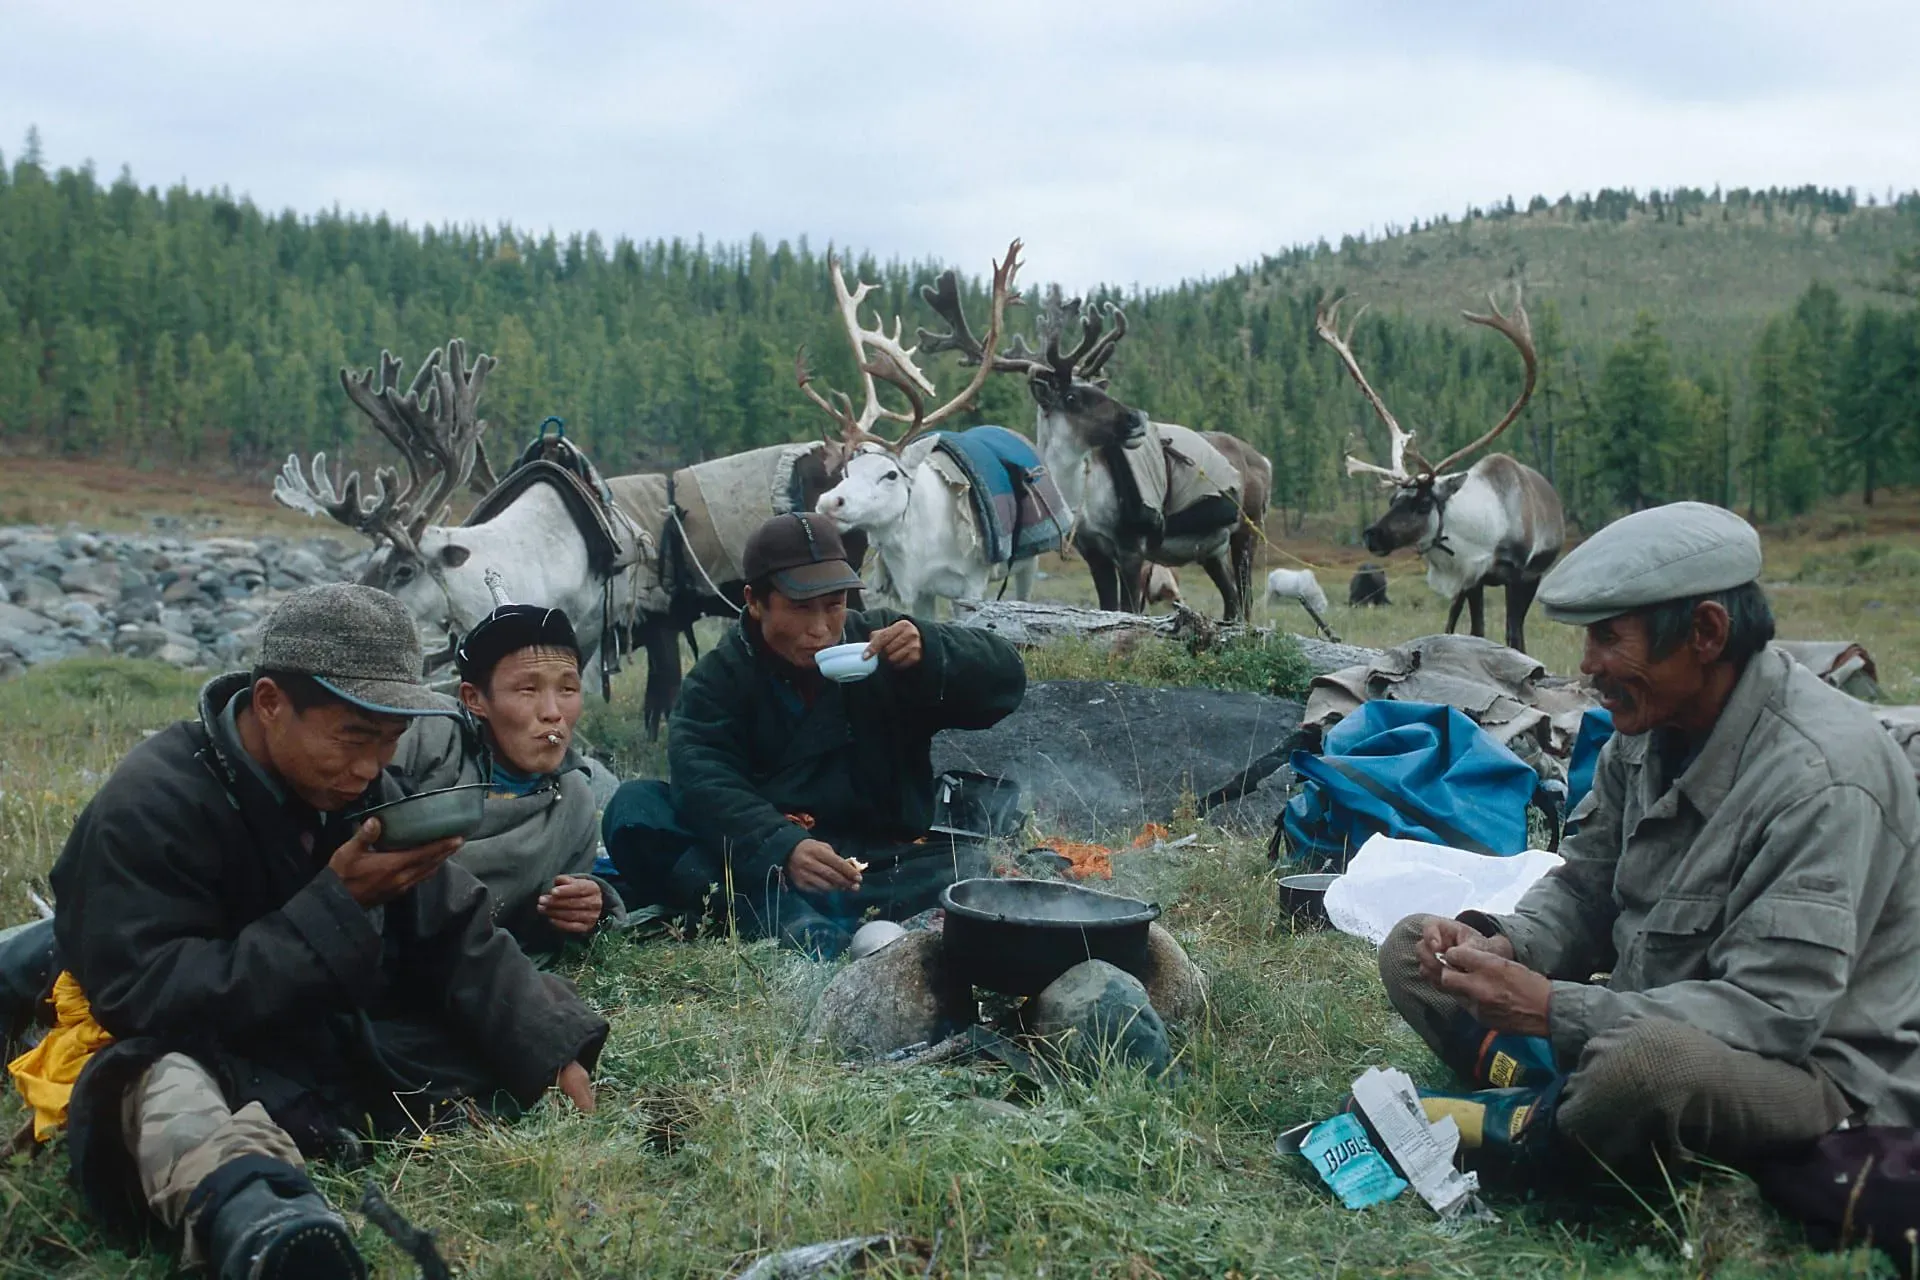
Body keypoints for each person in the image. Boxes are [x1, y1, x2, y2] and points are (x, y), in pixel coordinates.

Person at [27, 584, 607, 1280]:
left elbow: (454, 932)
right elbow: (146, 996)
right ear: (271, 702)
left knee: (465, 1027)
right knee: (159, 1091)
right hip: (183, 1037)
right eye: (353, 738)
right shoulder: (150, 803)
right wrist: (337, 903)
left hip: (302, 1031)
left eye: (389, 742)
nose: (370, 768)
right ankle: (267, 1225)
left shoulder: (362, 791)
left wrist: (548, 1051)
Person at [1375, 502, 1920, 1176]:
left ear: (1706, 632)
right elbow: (1588, 886)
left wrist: (1551, 1009)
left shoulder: (1825, 780)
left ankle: (1531, 1126)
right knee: (1414, 947)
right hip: (1647, 1015)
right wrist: (1503, 943)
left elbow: (1772, 1016)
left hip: (1811, 1074)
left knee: (1643, 1070)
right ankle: (1549, 1101)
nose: (1588, 664)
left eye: (1609, 638)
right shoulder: (1648, 728)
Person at [604, 511, 1026, 958]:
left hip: (879, 862)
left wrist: (935, 651)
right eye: (801, 607)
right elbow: (703, 779)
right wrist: (783, 847)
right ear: (755, 601)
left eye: (835, 603)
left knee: (978, 865)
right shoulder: (719, 678)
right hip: (769, 864)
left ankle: (771, 918)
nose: (822, 628)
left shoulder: (883, 642)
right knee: (635, 809)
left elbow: (1006, 683)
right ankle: (788, 919)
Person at [394, 601, 626, 953]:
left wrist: (587, 907)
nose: (552, 714)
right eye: (527, 690)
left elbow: (535, 918)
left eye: (567, 689)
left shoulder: (574, 797)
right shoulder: (429, 736)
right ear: (474, 699)